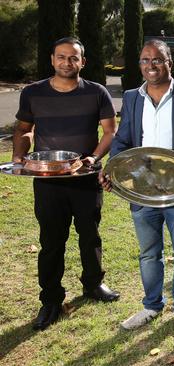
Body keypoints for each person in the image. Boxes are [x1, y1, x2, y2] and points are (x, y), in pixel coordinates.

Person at [100, 39, 174, 334]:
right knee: (148, 253)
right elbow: (123, 141)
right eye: (144, 60)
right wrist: (112, 170)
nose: (150, 66)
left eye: (157, 60)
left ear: (169, 63)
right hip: (142, 190)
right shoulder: (131, 97)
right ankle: (152, 306)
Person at [12, 37, 119, 331]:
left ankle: (93, 285)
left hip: (85, 178)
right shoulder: (33, 93)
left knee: (90, 235)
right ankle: (50, 300)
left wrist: (93, 158)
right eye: (61, 57)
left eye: (73, 58)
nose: (67, 63)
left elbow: (110, 132)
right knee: (51, 241)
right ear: (52, 59)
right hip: (48, 180)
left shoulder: (97, 92)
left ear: (82, 62)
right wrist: (19, 156)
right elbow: (24, 130)